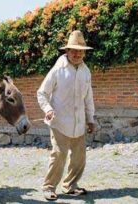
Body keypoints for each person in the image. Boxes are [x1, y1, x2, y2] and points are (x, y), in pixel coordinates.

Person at [37, 30, 95, 201]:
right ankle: (48, 187)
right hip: (59, 122)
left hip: (79, 123)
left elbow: (89, 97)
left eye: (81, 50)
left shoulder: (86, 71)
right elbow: (42, 93)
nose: (77, 54)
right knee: (59, 155)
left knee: (79, 158)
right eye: (74, 50)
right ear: (67, 51)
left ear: (84, 52)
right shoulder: (57, 70)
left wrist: (90, 119)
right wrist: (47, 109)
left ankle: (70, 185)